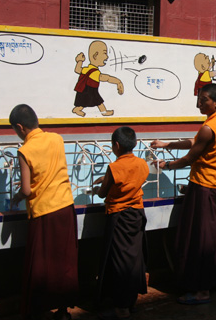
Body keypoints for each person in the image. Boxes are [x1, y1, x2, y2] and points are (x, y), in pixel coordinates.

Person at [151, 83, 216, 305]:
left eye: (203, 99)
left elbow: (190, 158)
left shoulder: (209, 127)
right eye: (198, 98)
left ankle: (201, 290)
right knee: (213, 236)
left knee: (199, 239)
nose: (199, 104)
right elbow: (196, 142)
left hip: (204, 187)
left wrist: (165, 165)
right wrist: (168, 143)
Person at [9, 104, 78, 320]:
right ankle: (64, 310)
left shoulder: (25, 150)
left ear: (20, 127)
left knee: (41, 266)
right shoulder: (56, 138)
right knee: (64, 262)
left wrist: (17, 197)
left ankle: (37, 309)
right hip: (65, 206)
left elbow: (28, 190)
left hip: (43, 212)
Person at [93, 127, 149, 319]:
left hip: (118, 216)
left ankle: (122, 307)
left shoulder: (114, 167)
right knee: (133, 258)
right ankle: (131, 301)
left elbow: (103, 192)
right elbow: (129, 181)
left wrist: (100, 186)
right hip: (136, 214)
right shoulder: (142, 164)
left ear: (116, 145)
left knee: (118, 262)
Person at [73, 40, 124, 117]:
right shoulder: (95, 72)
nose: (107, 56)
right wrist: (118, 82)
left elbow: (77, 69)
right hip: (89, 91)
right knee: (98, 102)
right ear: (95, 56)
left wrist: (80, 61)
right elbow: (107, 78)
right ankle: (103, 112)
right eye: (104, 53)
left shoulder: (86, 69)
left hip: (84, 91)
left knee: (88, 102)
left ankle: (77, 109)